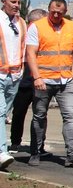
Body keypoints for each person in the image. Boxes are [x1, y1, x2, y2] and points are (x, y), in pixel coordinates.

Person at [25, 0, 73, 168]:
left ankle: (72, 154)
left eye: (59, 12)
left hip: (65, 79)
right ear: (48, 9)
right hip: (43, 80)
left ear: (65, 12)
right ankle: (36, 151)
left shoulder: (72, 27)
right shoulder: (37, 27)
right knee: (39, 116)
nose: (55, 14)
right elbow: (30, 53)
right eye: (53, 11)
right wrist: (37, 77)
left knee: (69, 116)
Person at [9, 9, 48, 156]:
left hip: (41, 77)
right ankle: (15, 142)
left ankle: (39, 145)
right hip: (24, 78)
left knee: (40, 114)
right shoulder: (21, 36)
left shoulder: (44, 36)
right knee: (19, 111)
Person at [0, 0, 27, 171]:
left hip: (15, 76)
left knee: (5, 113)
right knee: (0, 112)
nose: (17, 6)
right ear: (4, 1)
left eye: (18, 2)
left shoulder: (22, 23)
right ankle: (2, 152)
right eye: (13, 2)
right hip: (0, 74)